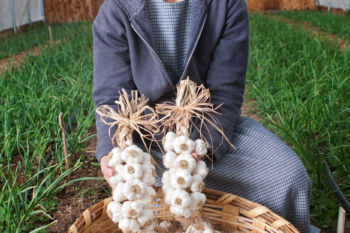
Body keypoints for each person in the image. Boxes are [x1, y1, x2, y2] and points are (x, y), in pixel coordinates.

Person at [92, 0, 312, 232]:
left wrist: (196, 151)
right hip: (146, 146)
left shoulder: (226, 4)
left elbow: (224, 94)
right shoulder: (116, 10)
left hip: (208, 132)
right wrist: (112, 153)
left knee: (289, 178)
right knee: (146, 195)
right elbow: (112, 99)